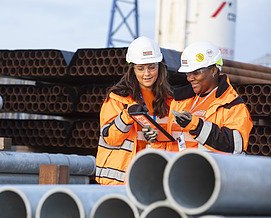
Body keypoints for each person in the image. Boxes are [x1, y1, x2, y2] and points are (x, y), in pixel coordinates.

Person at [95, 36, 173, 185]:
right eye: (141, 68)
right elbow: (110, 138)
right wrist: (127, 116)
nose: (147, 73)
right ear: (132, 69)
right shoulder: (118, 98)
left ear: (160, 67)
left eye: (151, 67)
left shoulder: (168, 102)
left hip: (147, 179)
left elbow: (169, 145)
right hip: (117, 182)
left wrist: (156, 140)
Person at [166, 41, 253, 154]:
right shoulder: (179, 102)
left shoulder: (233, 106)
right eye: (188, 73)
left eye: (196, 73)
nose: (190, 78)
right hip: (178, 169)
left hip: (209, 170)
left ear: (213, 70)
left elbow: (235, 146)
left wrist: (197, 126)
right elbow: (170, 144)